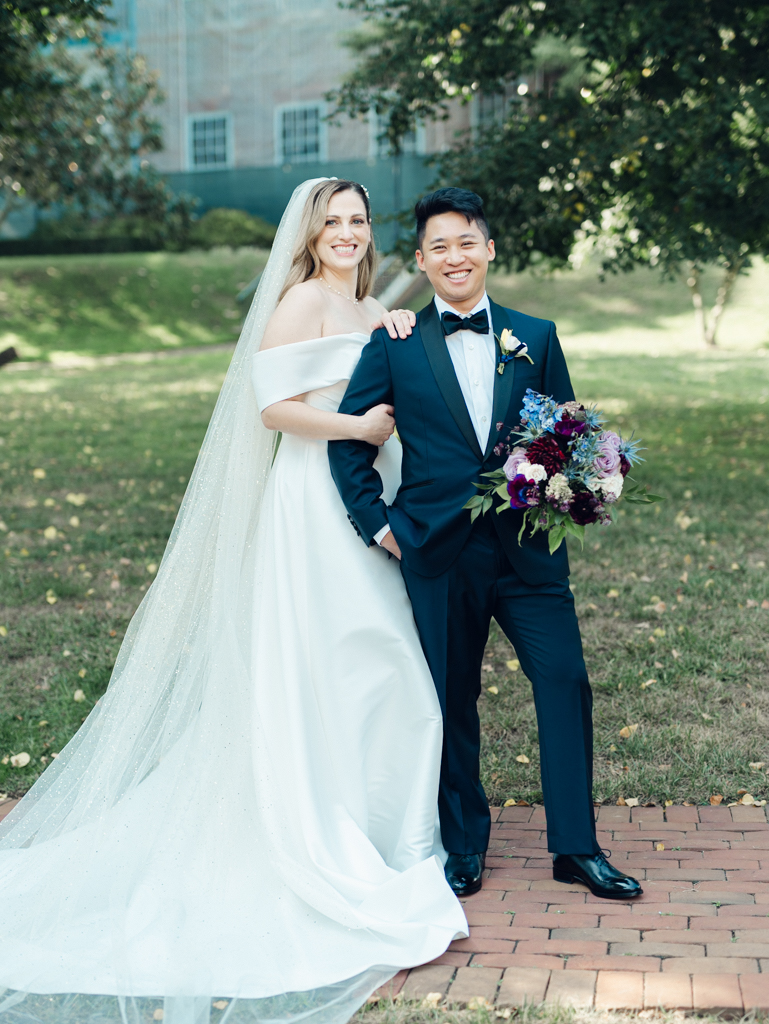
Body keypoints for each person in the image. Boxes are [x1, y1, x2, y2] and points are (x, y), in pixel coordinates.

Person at [0, 179, 466, 1024]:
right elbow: (274, 407)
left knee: (383, 659)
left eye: (359, 222)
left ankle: (383, 828)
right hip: (315, 504)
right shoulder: (296, 303)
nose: (349, 235)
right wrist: (359, 430)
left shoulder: (371, 312)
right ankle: (326, 827)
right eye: (333, 224)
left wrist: (401, 331)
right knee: (340, 653)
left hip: (373, 501)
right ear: (309, 235)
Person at [329, 187, 643, 901]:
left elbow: (567, 432)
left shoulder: (535, 334)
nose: (453, 256)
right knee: (451, 696)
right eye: (437, 246)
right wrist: (380, 526)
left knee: (564, 681)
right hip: (436, 550)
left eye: (465, 241)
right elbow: (350, 443)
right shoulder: (395, 343)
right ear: (420, 260)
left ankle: (576, 848)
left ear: (488, 248)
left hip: (528, 550)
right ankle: (462, 844)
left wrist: (579, 487)